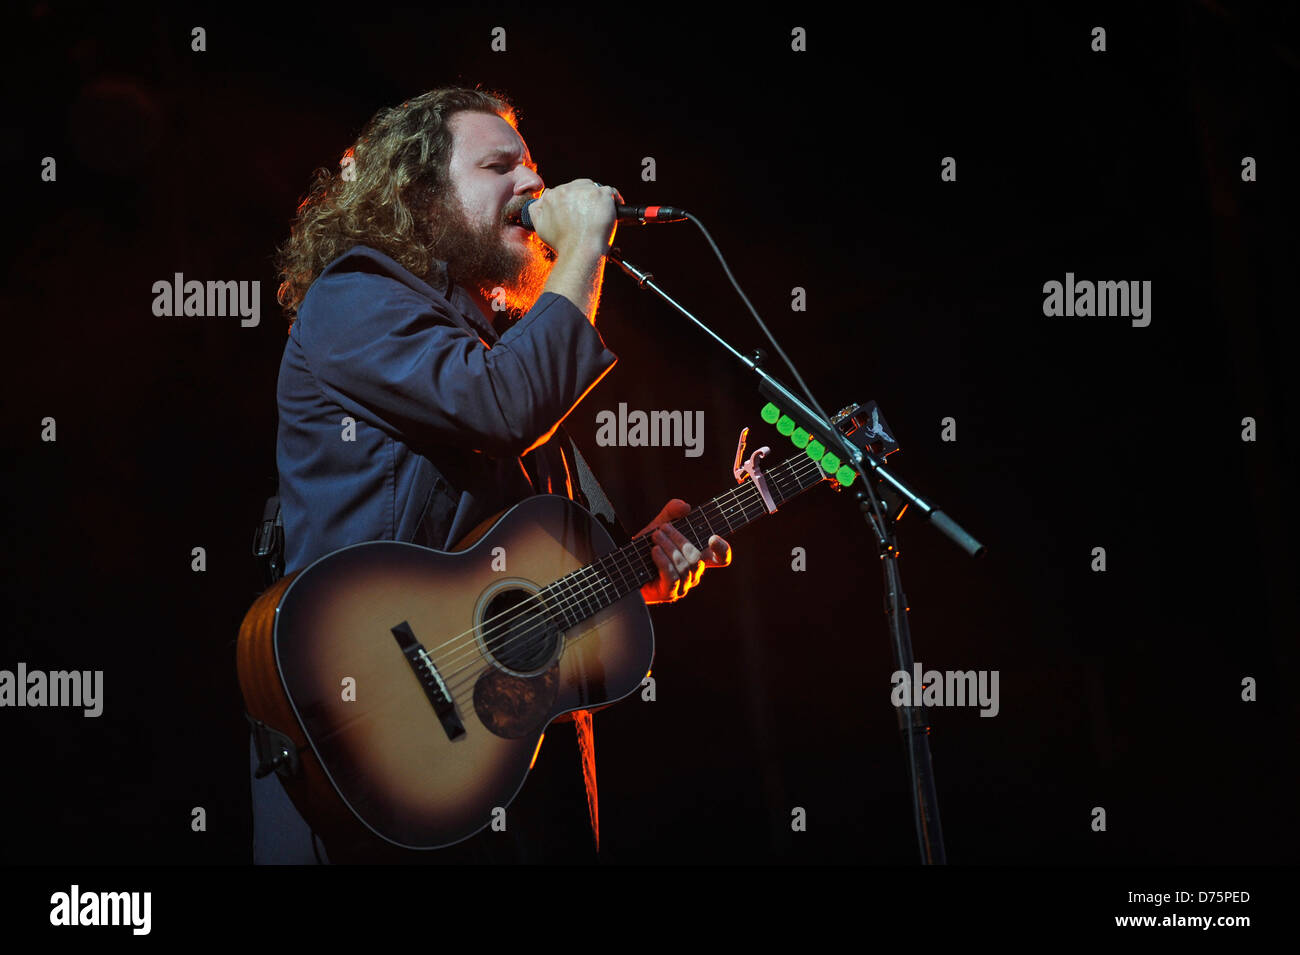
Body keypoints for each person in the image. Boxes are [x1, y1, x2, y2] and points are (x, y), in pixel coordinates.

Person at [251, 86, 731, 864]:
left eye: (535, 166)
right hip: (372, 737)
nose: (533, 186)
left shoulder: (502, 341)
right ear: (421, 195)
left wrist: (631, 570)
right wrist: (583, 249)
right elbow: (501, 404)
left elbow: (506, 574)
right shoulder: (356, 294)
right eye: (500, 165)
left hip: (500, 766)